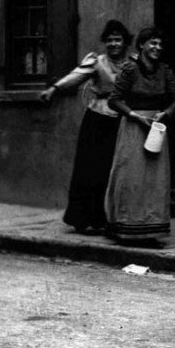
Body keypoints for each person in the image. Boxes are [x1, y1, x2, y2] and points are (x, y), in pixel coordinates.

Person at [40, 19, 133, 233]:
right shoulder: (96, 62)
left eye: (118, 40)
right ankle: (85, 219)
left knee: (117, 171)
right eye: (109, 40)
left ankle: (116, 218)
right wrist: (54, 89)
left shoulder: (132, 64)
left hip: (123, 121)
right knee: (92, 170)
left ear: (125, 42)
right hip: (98, 121)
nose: (113, 44)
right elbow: (76, 76)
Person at [105, 27, 175, 244]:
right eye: (153, 44)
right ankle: (127, 226)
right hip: (133, 127)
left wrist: (165, 113)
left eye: (160, 44)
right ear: (142, 45)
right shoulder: (130, 69)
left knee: (155, 180)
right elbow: (114, 99)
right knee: (131, 177)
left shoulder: (165, 71)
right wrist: (135, 116)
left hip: (156, 129)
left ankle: (151, 229)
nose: (157, 48)